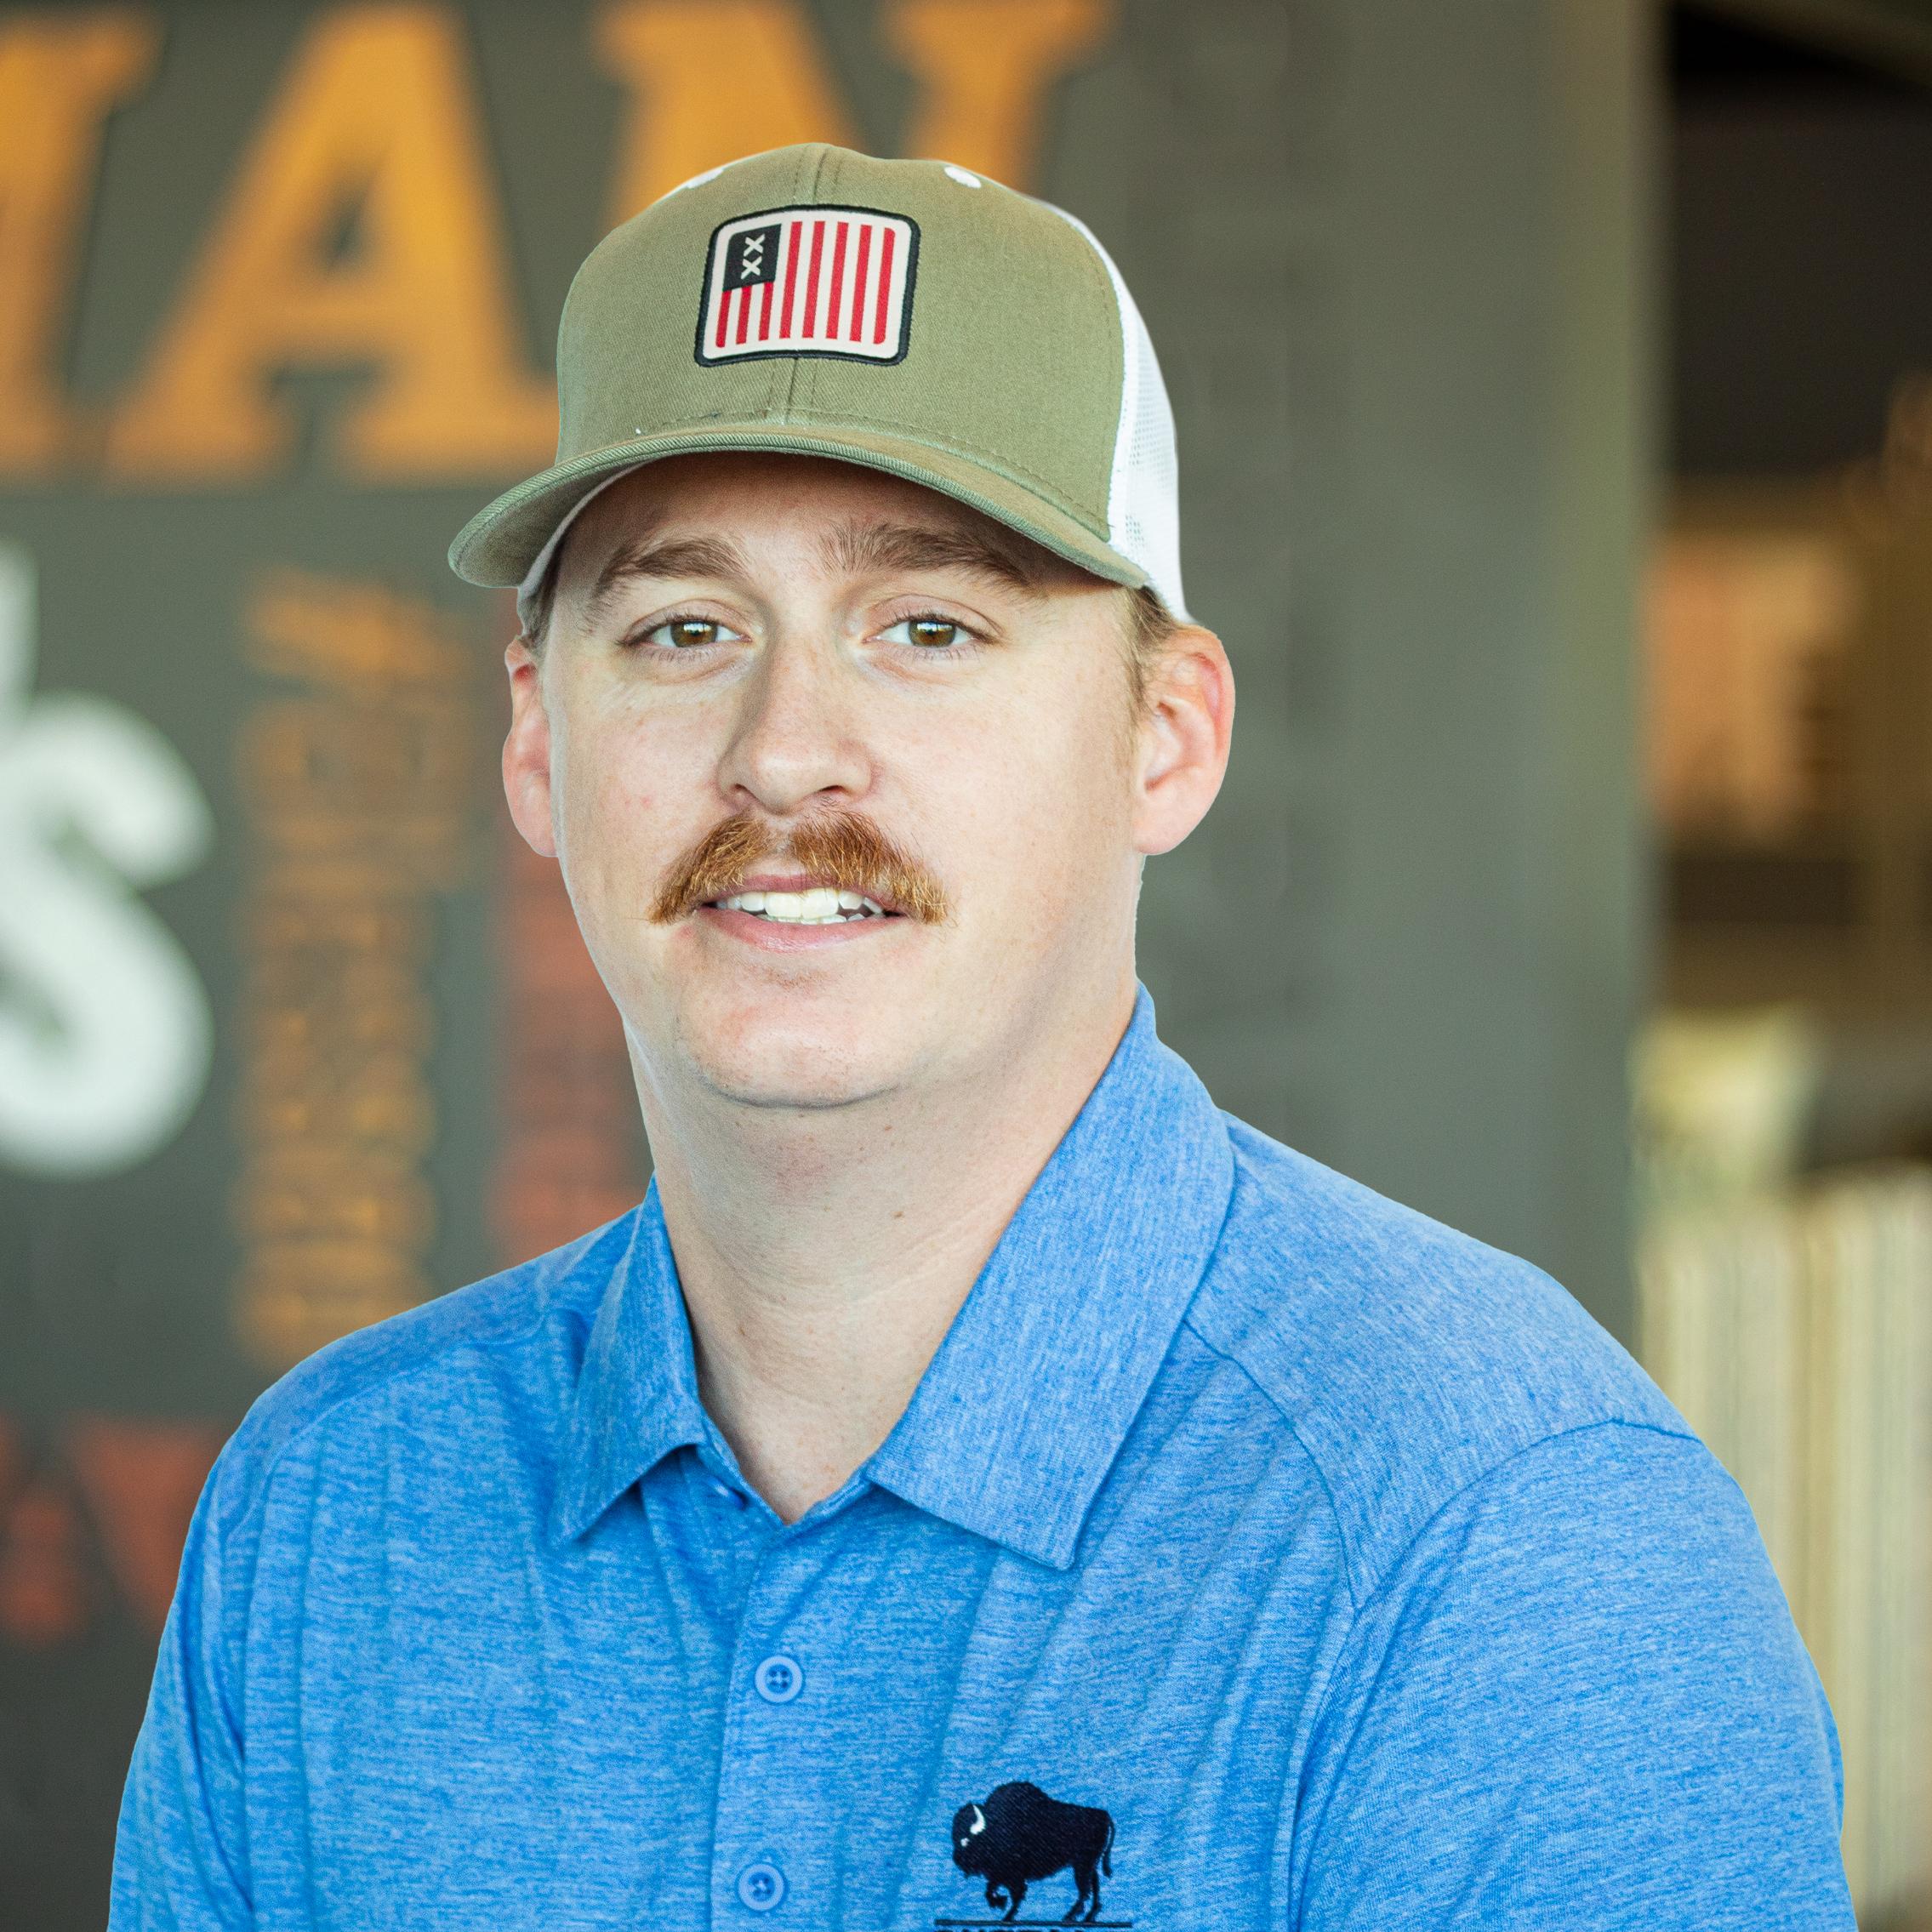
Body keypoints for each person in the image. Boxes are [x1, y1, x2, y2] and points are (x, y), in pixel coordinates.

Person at [111, 144, 1852, 1930]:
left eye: (927, 625)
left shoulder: (1495, 1536)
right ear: (540, 745)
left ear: (1160, 738)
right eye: (683, 626)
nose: (785, 748)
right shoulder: (330, 1509)